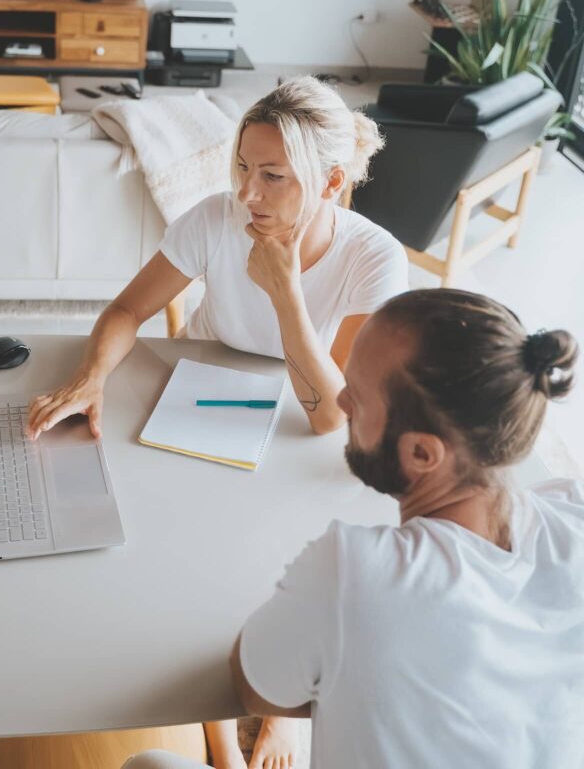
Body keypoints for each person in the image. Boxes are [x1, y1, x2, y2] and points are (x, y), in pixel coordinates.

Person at [27, 75, 409, 769]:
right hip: (203, 400)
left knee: (287, 555)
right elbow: (124, 313)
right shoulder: (212, 220)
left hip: (304, 428)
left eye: (272, 176)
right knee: (169, 542)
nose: (248, 195)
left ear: (328, 183)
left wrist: (287, 293)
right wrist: (92, 376)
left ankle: (280, 707)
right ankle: (220, 709)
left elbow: (332, 417)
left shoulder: (374, 257)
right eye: (241, 167)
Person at [121, 289, 582, 769]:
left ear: (422, 454)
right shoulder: (572, 508)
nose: (339, 398)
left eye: (356, 397)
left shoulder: (359, 571)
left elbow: (253, 686)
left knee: (148, 765)